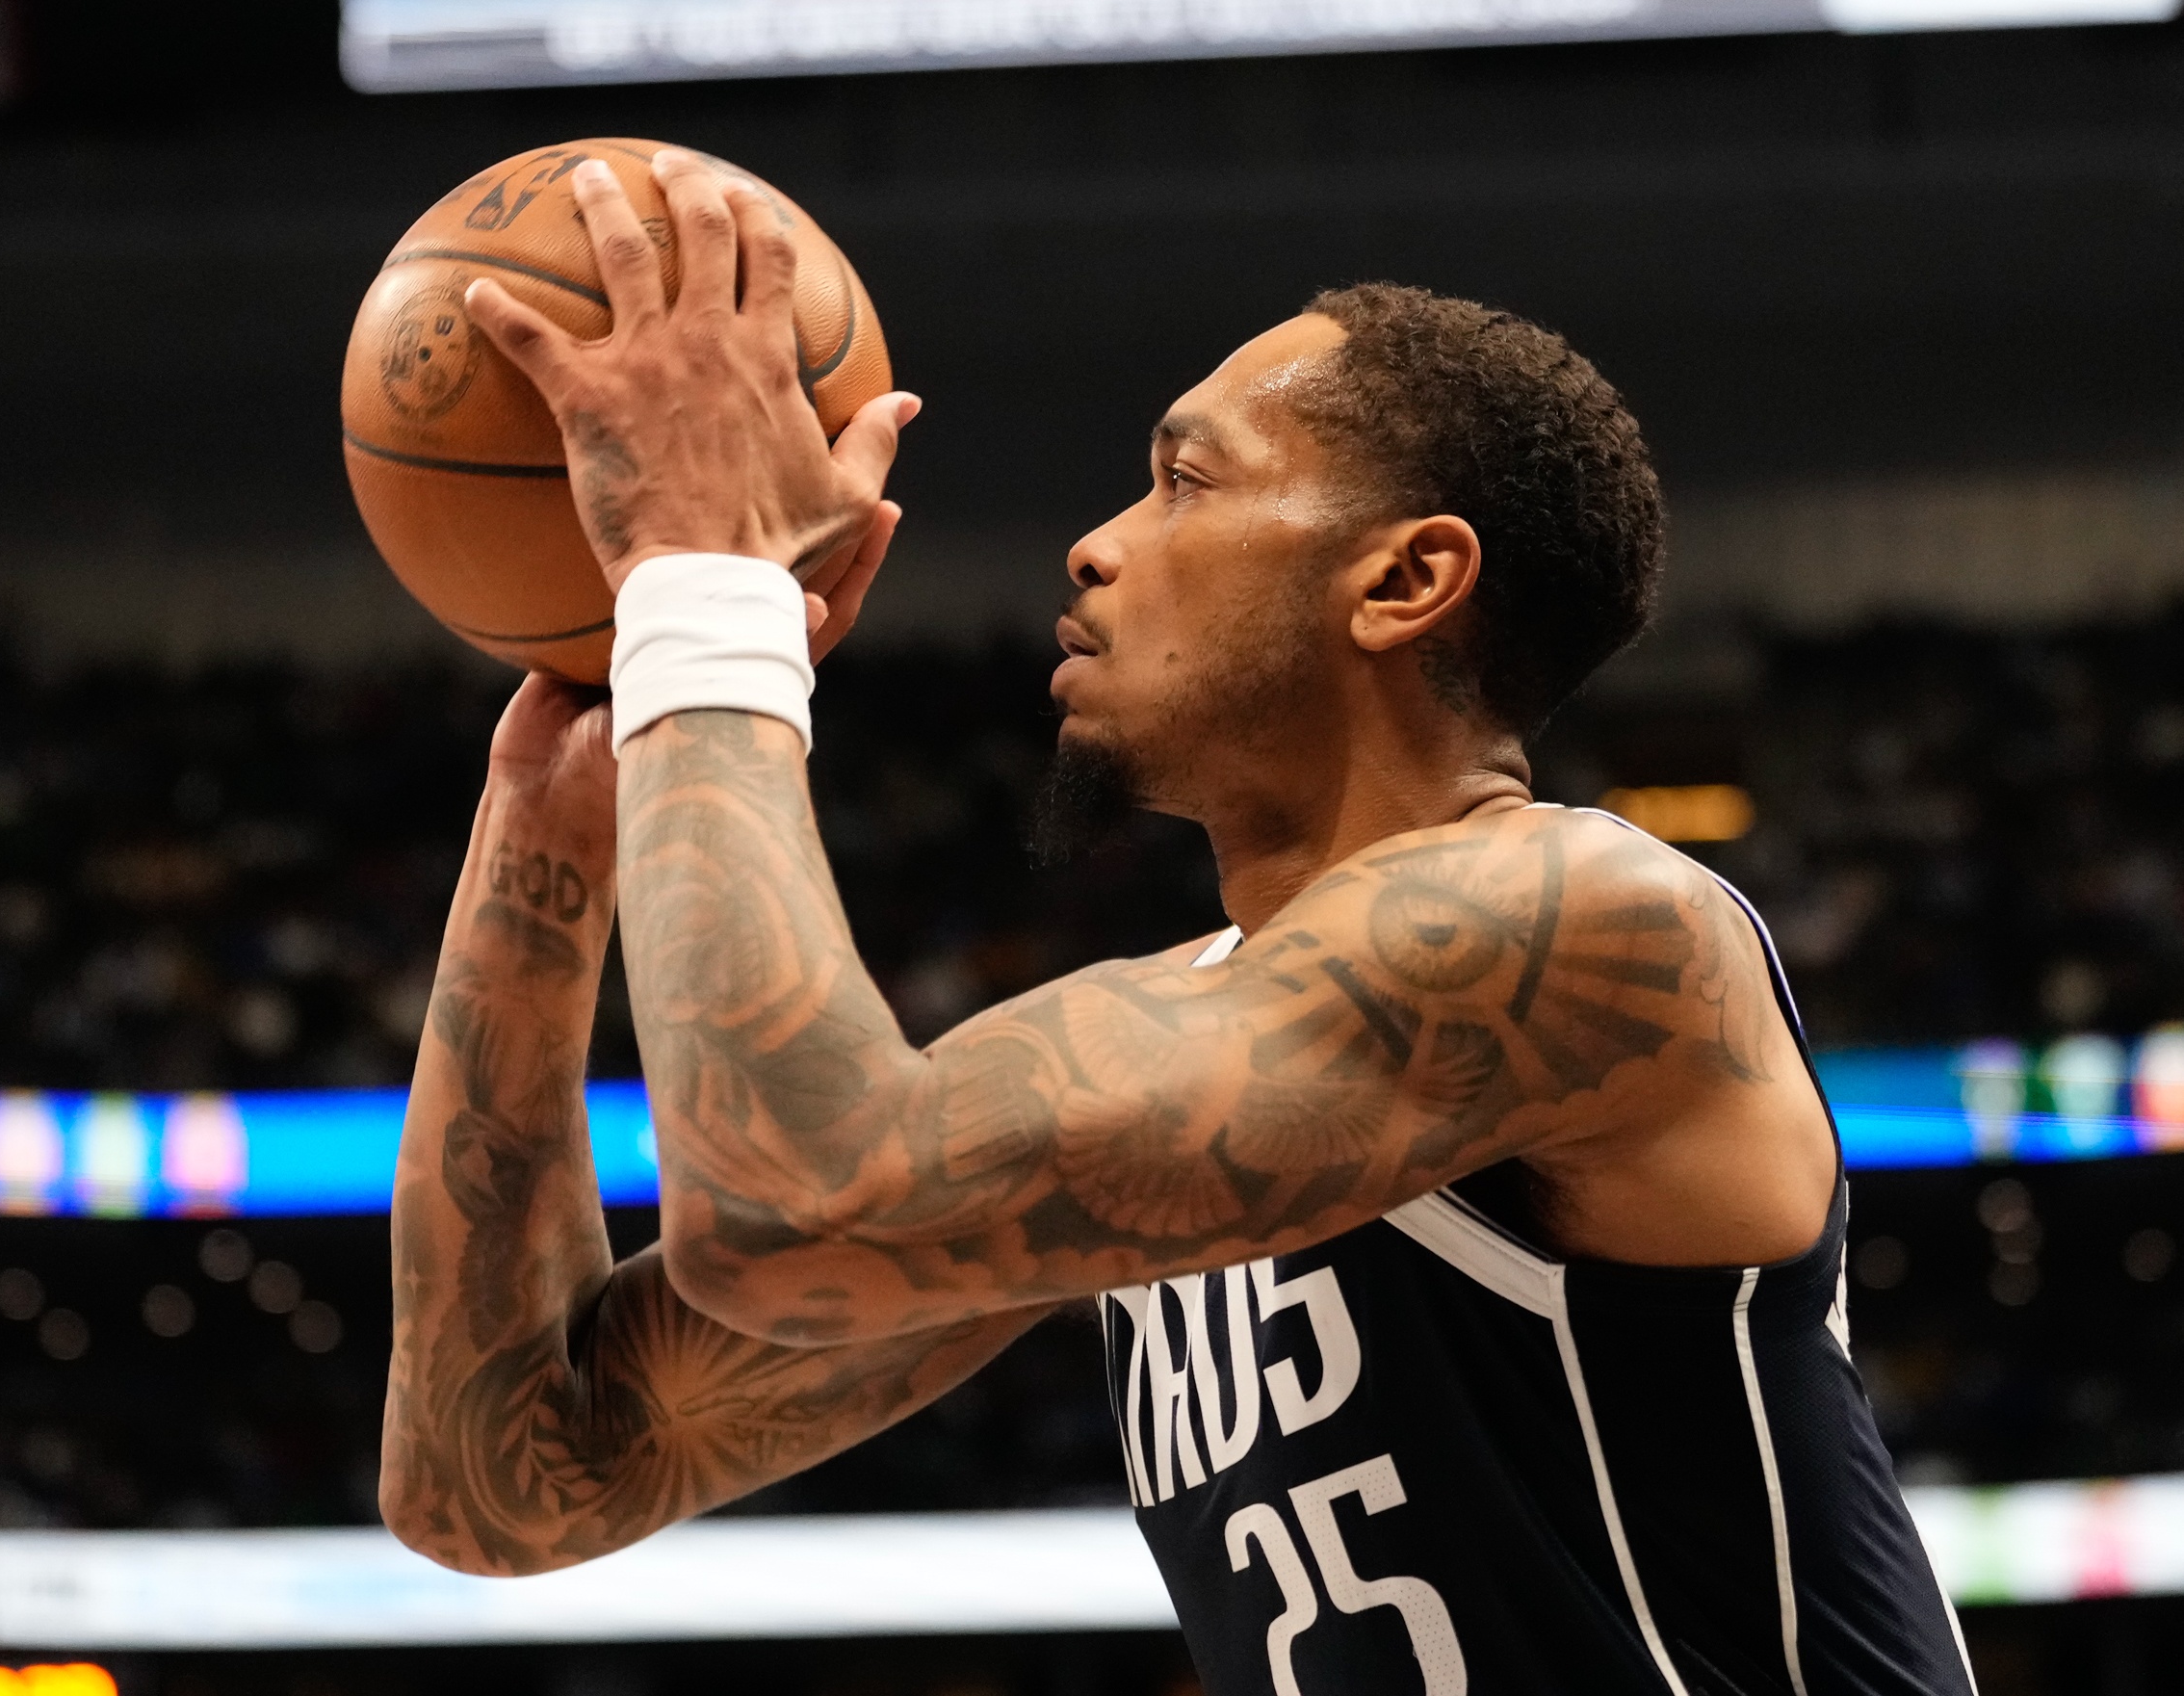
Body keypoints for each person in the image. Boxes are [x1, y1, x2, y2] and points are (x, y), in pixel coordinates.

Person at [378, 148, 1977, 1695]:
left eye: (1183, 479)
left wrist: (704, 595)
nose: (1096, 542)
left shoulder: (1585, 921)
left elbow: (796, 1207)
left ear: (1403, 579)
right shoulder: (1182, 1047)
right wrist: (544, 832)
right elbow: (503, 1483)